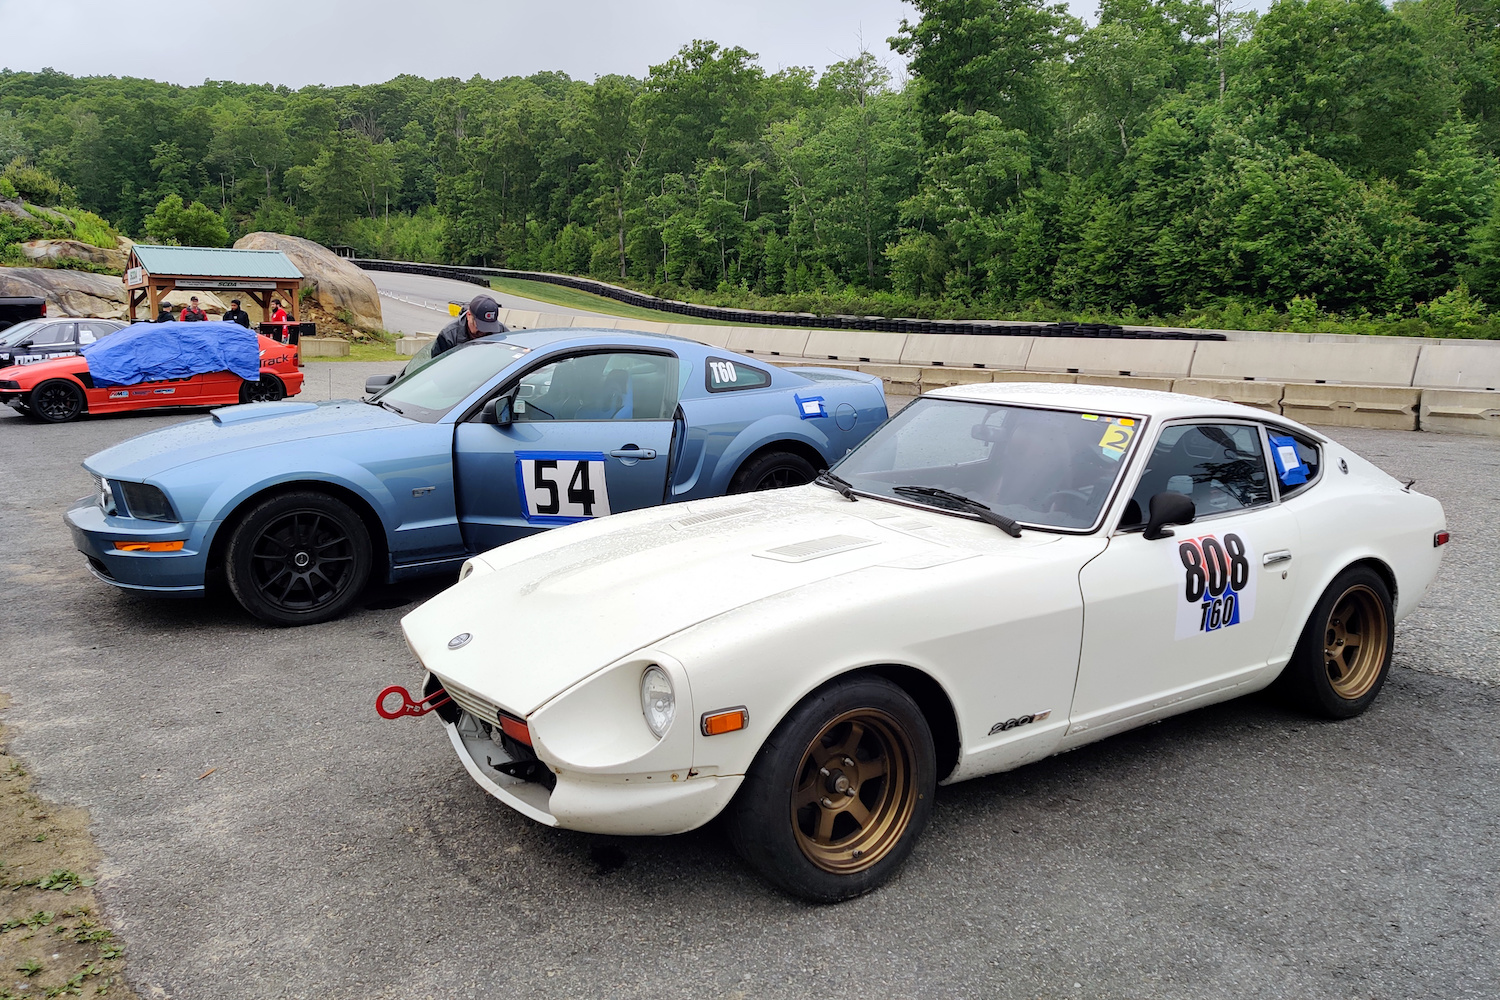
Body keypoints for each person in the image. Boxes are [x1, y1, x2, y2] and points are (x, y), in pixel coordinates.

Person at [433, 294, 506, 358]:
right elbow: (437, 366)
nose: (484, 331)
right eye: (480, 326)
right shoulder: (449, 336)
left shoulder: (502, 332)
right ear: (469, 316)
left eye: (489, 327)